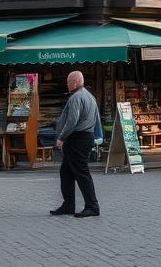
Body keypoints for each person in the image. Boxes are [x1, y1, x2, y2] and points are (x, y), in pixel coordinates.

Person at [50, 70, 100, 217]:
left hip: (78, 137)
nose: (67, 85)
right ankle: (68, 205)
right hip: (85, 136)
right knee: (66, 171)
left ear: (76, 82)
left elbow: (72, 121)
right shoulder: (89, 96)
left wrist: (61, 137)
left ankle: (92, 206)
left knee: (81, 171)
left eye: (68, 81)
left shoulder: (76, 98)